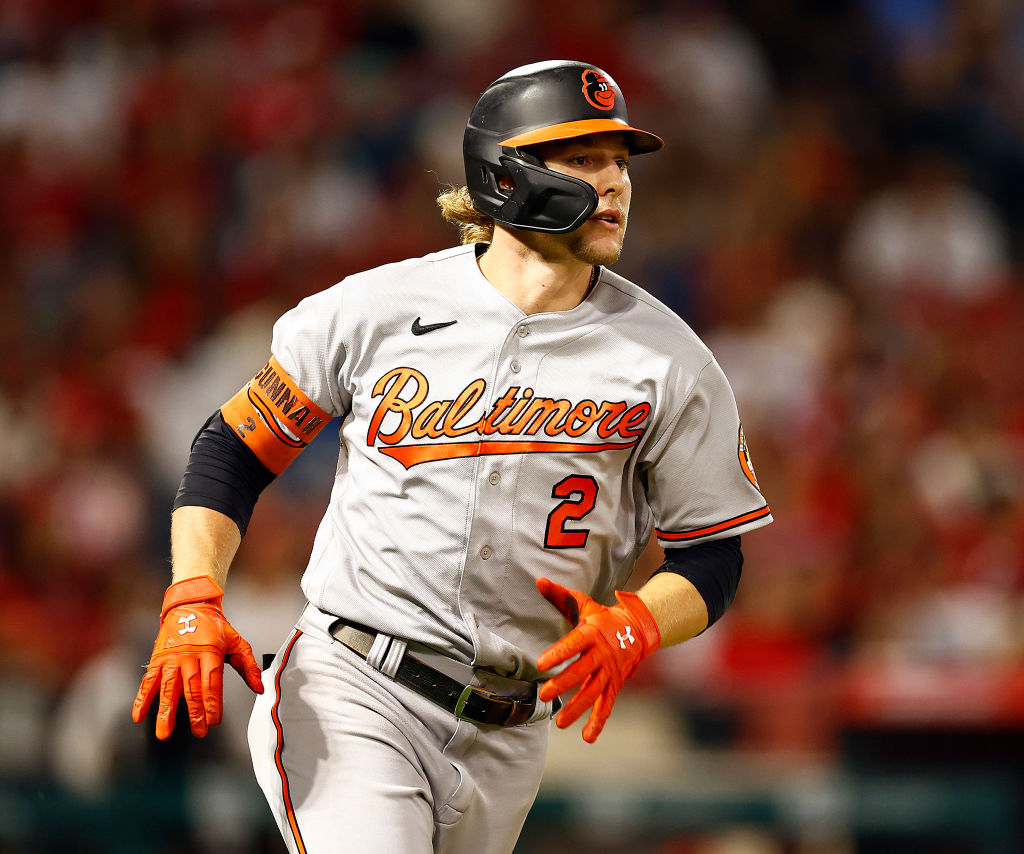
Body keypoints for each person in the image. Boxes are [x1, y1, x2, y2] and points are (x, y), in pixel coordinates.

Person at [132, 59, 772, 854]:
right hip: (356, 687)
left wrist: (639, 623)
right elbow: (231, 450)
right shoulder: (376, 309)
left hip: (512, 729)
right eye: (582, 159)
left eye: (619, 161)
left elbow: (713, 556)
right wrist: (193, 592)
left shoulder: (670, 359)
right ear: (504, 174)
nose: (613, 183)